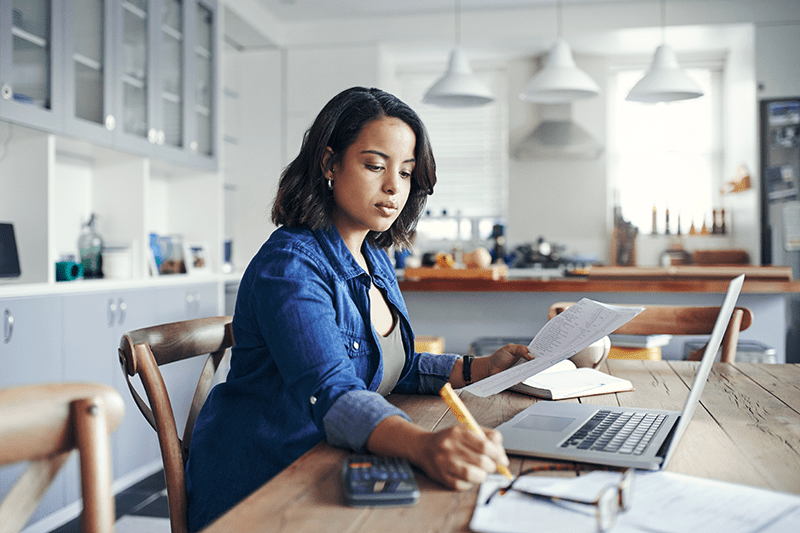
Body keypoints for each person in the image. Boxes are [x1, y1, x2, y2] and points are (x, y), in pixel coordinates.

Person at [184, 86, 531, 531]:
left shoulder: (375, 258)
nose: (393, 187)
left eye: (406, 173)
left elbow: (389, 367)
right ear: (329, 163)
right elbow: (333, 390)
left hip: (330, 464)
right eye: (374, 166)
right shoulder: (290, 267)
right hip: (265, 484)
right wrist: (424, 445)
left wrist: (479, 367)